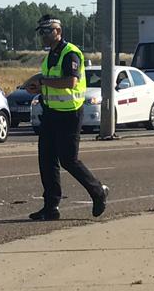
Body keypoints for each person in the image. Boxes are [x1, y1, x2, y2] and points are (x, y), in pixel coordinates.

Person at [22, 16, 108, 221]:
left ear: (58, 31)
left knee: (69, 160)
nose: (43, 36)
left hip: (69, 114)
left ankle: (98, 192)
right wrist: (34, 85)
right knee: (46, 160)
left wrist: (42, 81)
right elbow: (47, 81)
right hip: (50, 113)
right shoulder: (49, 56)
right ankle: (51, 207)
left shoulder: (71, 53)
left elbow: (71, 81)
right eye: (41, 32)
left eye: (47, 31)